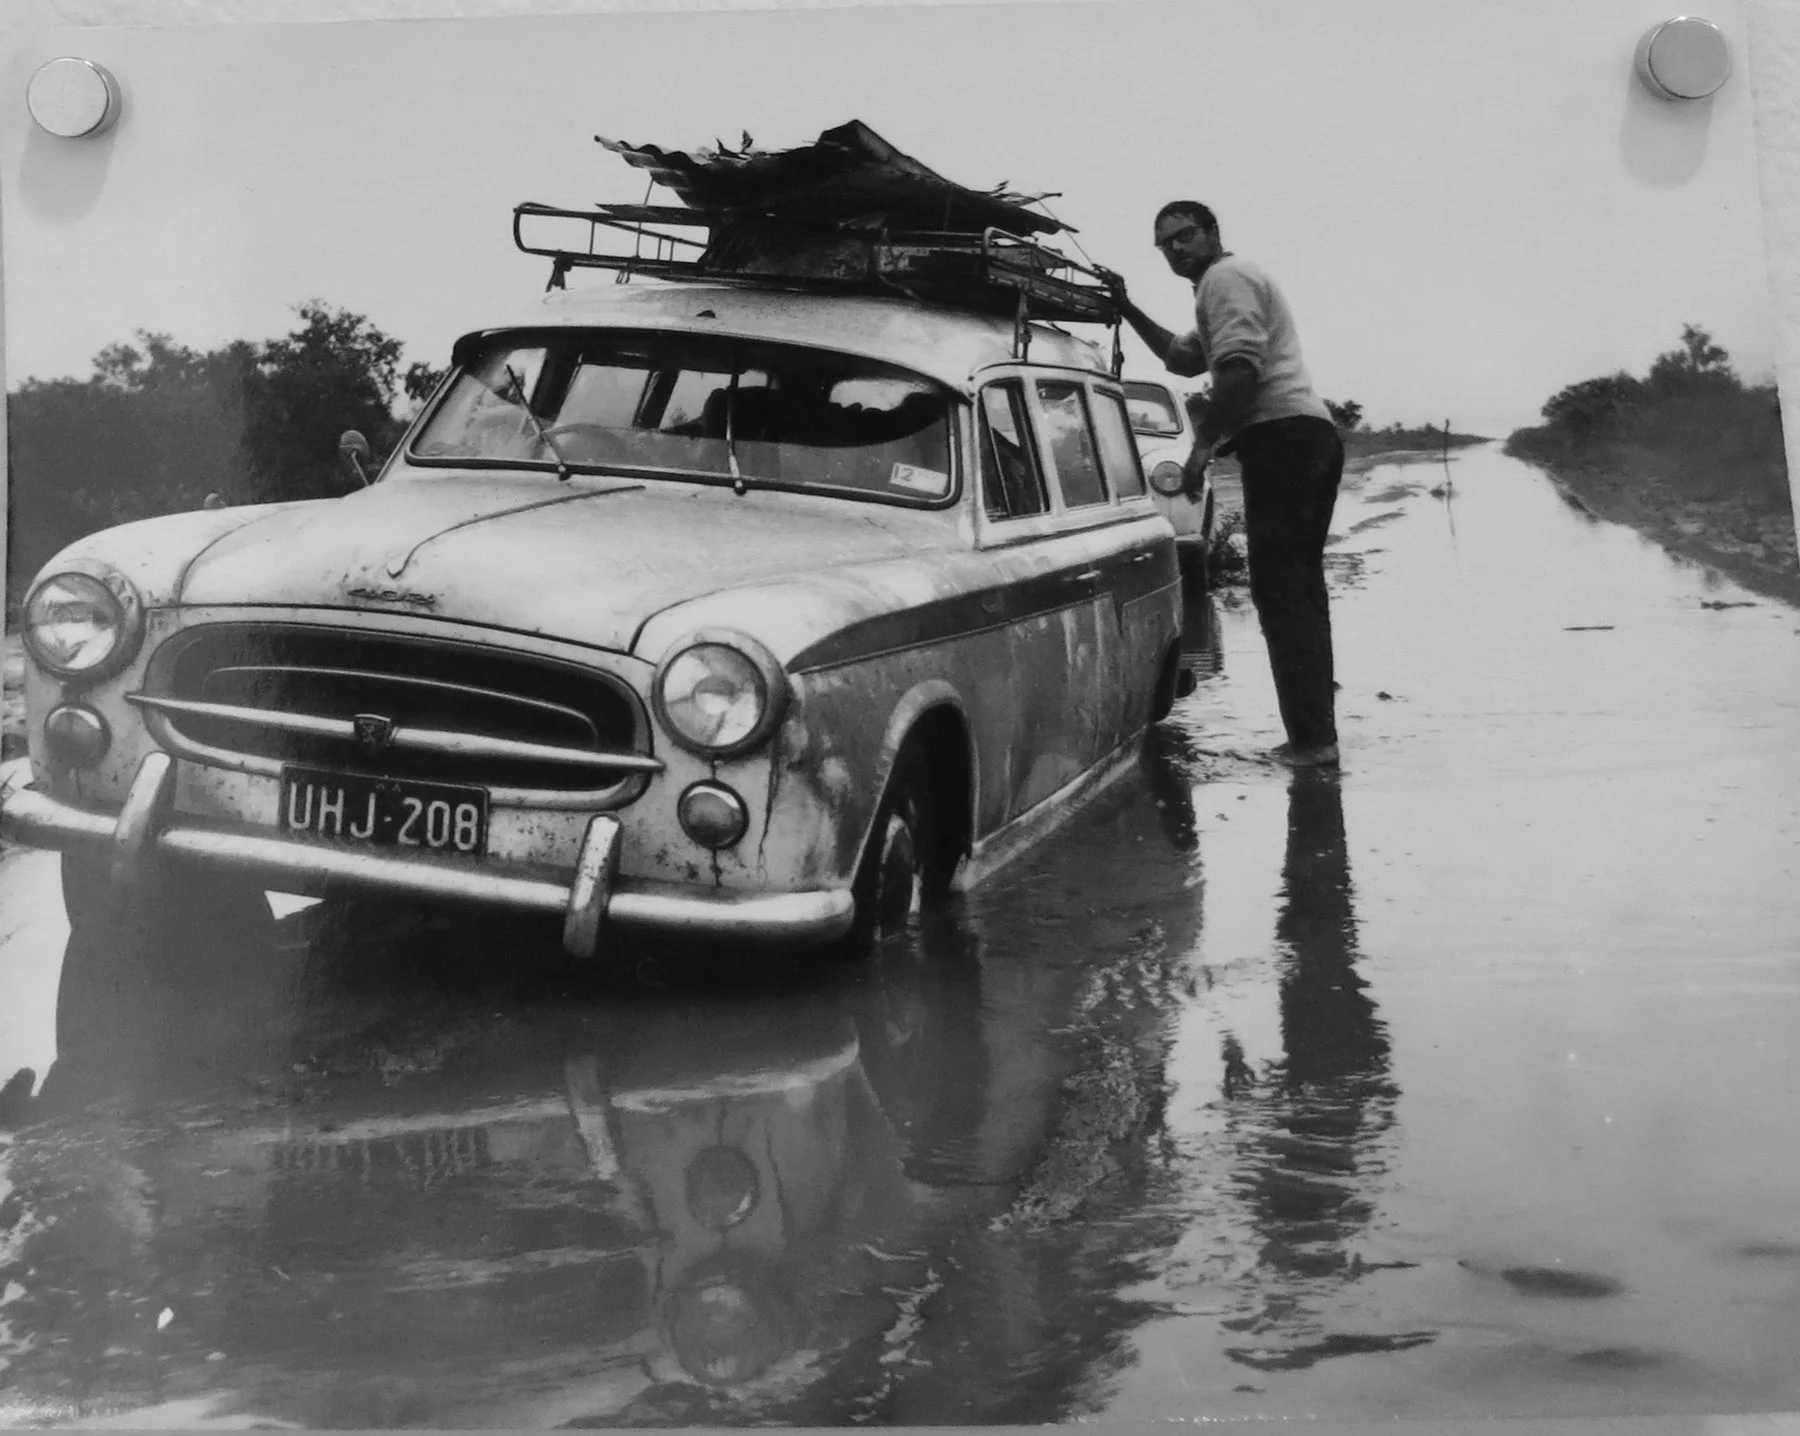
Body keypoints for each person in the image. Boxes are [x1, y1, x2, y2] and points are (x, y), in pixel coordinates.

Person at [1108, 201, 1345, 768]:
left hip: (1286, 439)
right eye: (1165, 244)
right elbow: (1183, 360)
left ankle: (1313, 743)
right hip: (1302, 440)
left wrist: (1200, 448)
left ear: (1213, 233)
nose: (1176, 249)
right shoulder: (1217, 287)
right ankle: (1315, 737)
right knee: (1295, 592)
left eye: (1185, 236)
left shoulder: (1226, 278)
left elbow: (1239, 373)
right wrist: (1124, 307)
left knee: (1283, 593)